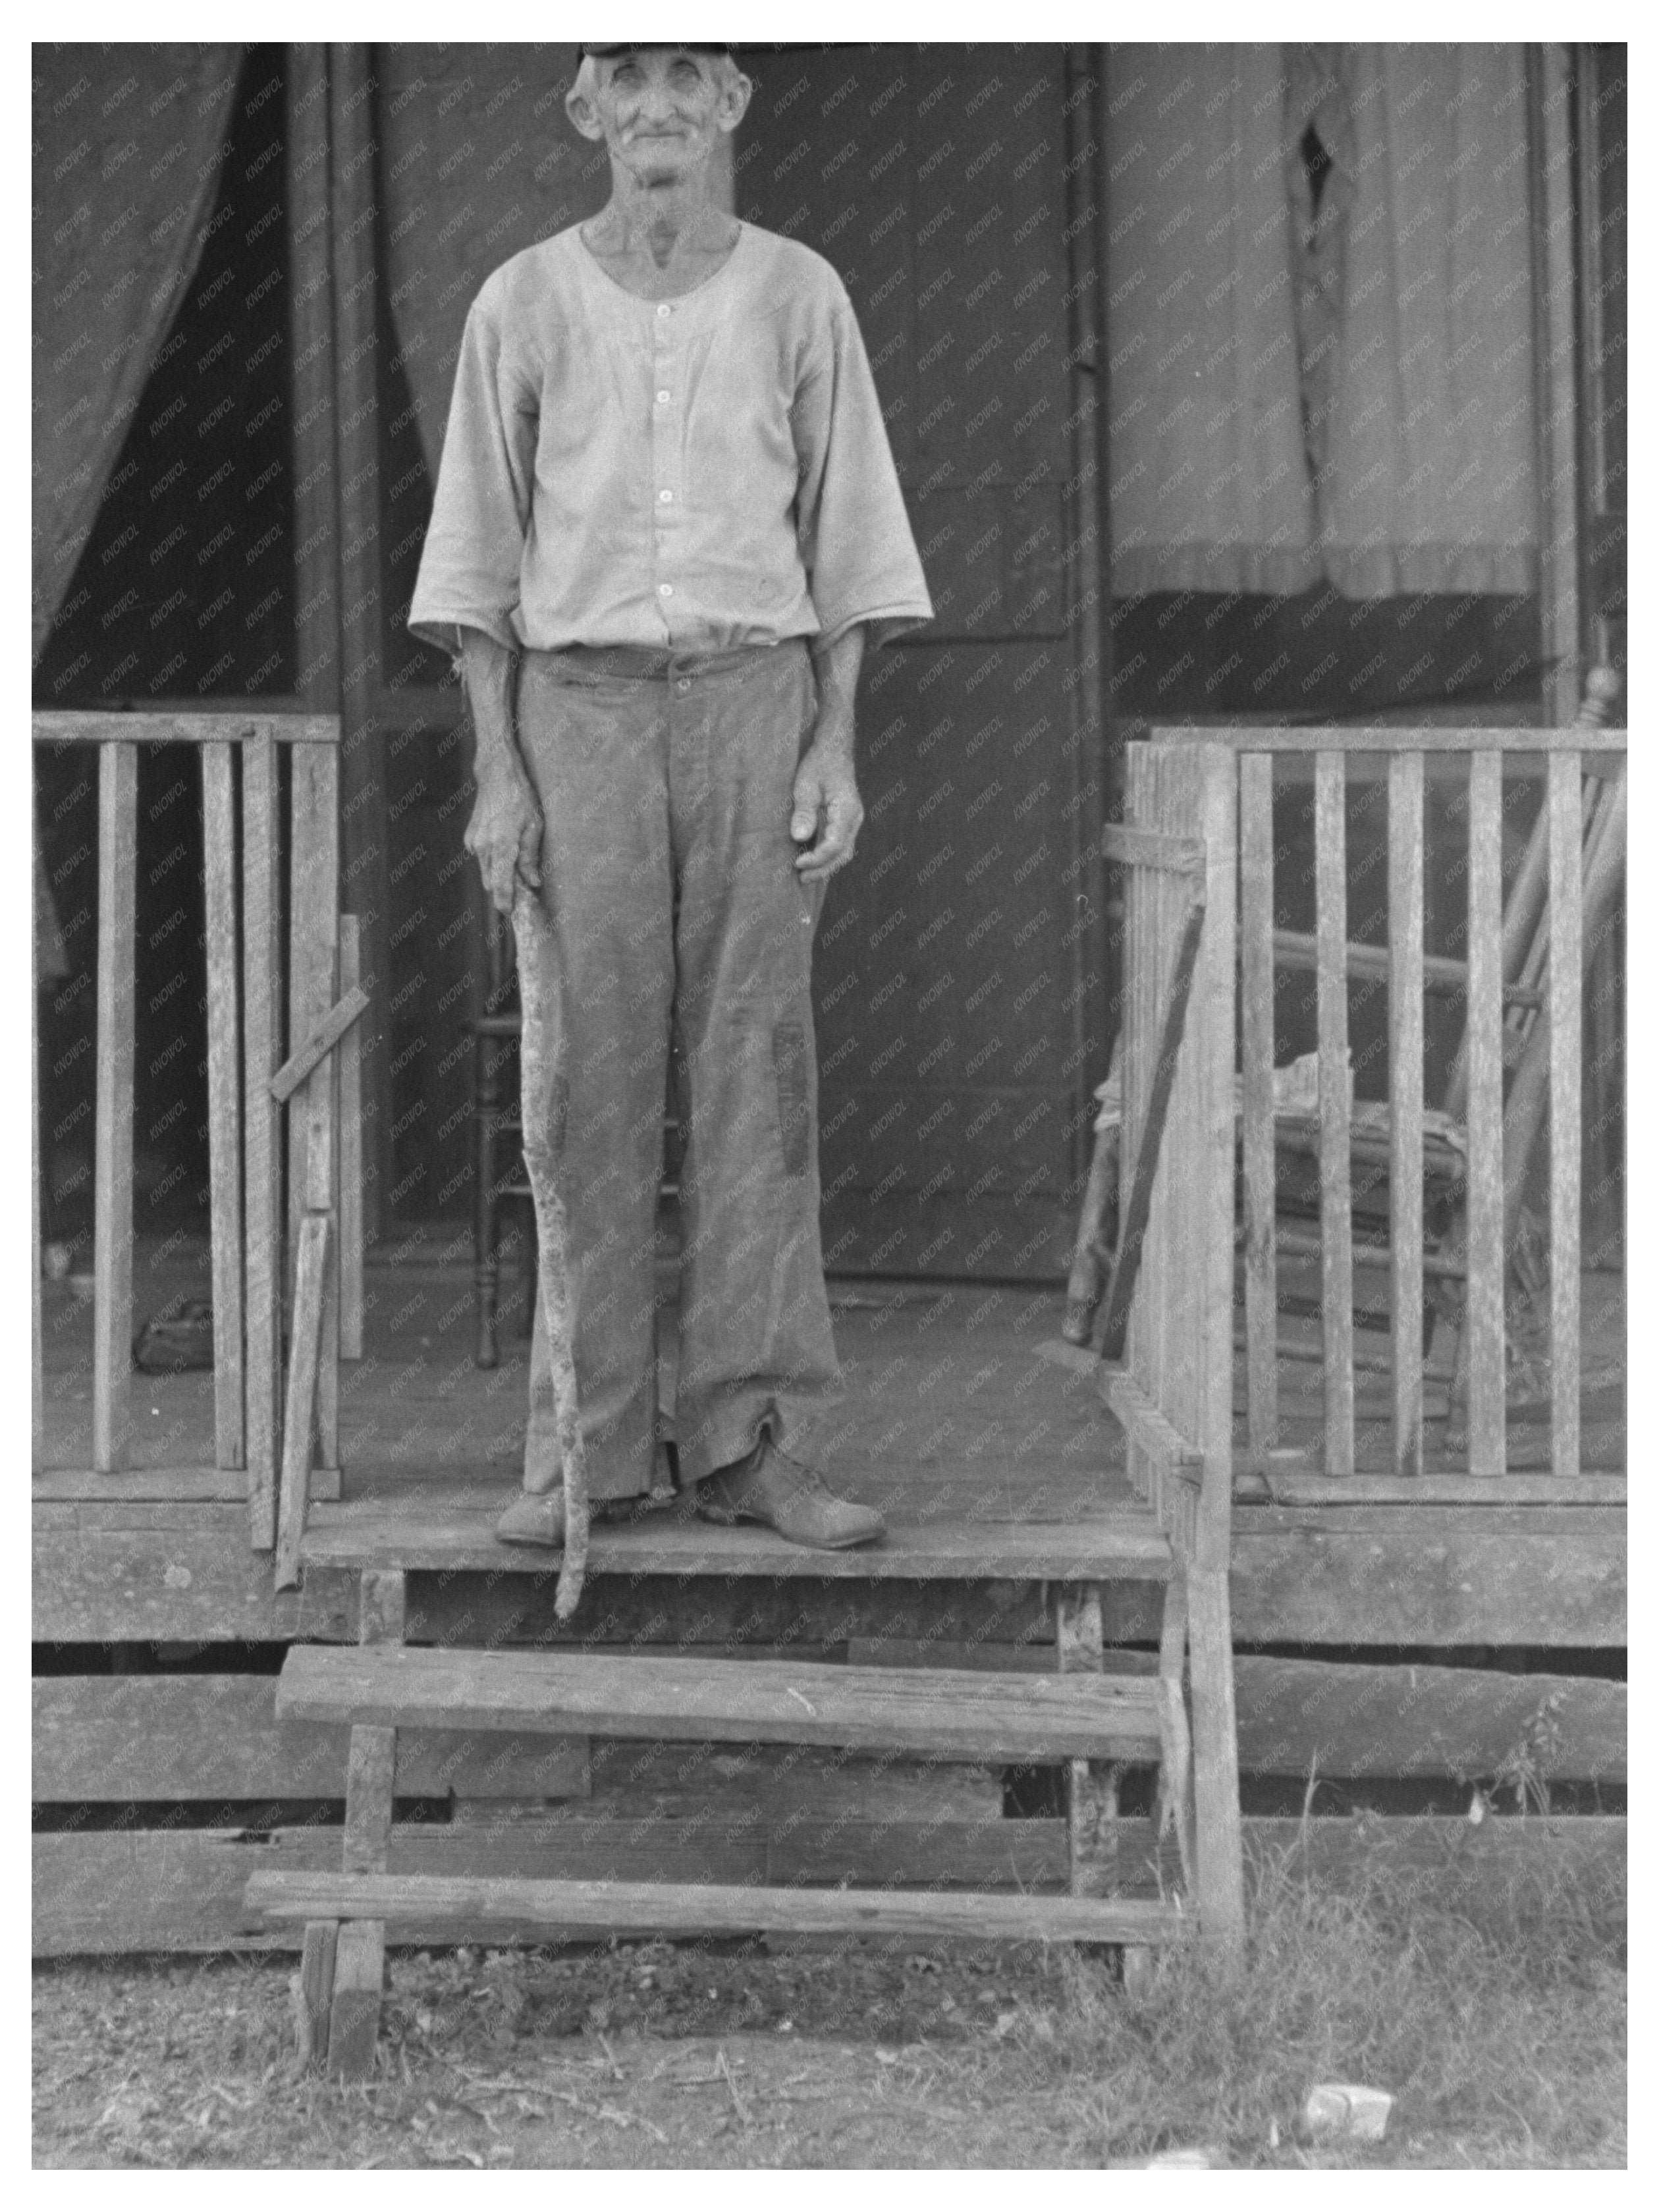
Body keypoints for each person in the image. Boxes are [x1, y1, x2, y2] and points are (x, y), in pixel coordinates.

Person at [409, 44, 933, 1551]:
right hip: (576, 715)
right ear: (587, 108)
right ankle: (584, 1454)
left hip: (755, 702)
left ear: (729, 104)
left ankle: (753, 1443)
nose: (657, 105)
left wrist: (834, 746)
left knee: (756, 1069)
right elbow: (474, 565)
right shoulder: (520, 301)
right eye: (627, 75)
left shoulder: (798, 292)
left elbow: (852, 542)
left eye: (686, 73)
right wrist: (499, 773)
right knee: (588, 1078)